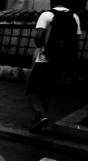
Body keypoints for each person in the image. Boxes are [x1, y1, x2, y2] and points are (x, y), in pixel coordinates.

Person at [26, 0, 81, 133]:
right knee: (45, 90)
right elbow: (76, 41)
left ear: (52, 2)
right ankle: (40, 123)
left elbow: (39, 38)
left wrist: (40, 43)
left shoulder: (46, 15)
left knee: (31, 90)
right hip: (61, 61)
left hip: (45, 59)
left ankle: (40, 115)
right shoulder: (75, 17)